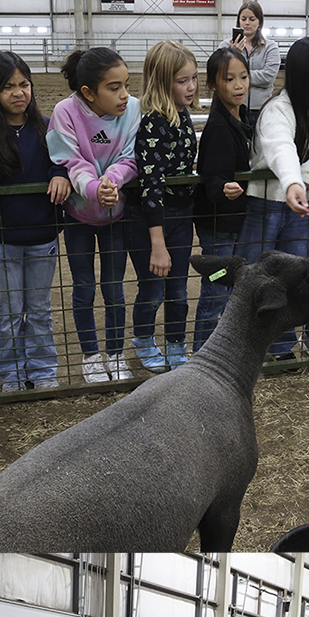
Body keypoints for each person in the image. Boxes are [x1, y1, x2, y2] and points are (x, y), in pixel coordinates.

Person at [0, 50, 70, 392]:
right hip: (2, 242)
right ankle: (12, 374)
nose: (19, 92)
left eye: (24, 84)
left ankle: (43, 371)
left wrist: (60, 173)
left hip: (42, 236)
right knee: (10, 312)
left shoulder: (47, 128)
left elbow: (64, 157)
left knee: (38, 309)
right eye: (8, 87)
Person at [236, 37, 309, 360]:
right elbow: (280, 148)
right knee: (256, 274)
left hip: (300, 204)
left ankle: (281, 346)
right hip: (265, 203)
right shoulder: (277, 110)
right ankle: (245, 342)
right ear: (298, 76)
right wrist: (293, 182)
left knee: (295, 276)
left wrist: (305, 178)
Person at [47, 47, 140, 384]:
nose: (124, 95)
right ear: (88, 92)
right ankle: (91, 355)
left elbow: (131, 157)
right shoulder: (65, 113)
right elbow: (70, 160)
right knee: (84, 287)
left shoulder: (133, 110)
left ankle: (115, 353)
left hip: (116, 215)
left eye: (126, 84)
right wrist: (93, 188)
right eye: (114, 88)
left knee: (114, 287)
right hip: (79, 216)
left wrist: (112, 181)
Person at [127, 41, 198, 371]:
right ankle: (142, 338)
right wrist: (157, 243)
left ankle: (175, 343)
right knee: (153, 288)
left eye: (194, 78)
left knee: (179, 288)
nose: (192, 86)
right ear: (162, 81)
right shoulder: (154, 122)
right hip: (153, 220)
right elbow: (150, 183)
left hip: (182, 217)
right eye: (183, 80)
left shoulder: (183, 115)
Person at [192, 47, 251, 352]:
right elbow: (209, 176)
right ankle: (203, 350)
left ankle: (218, 348)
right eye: (229, 79)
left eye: (243, 77)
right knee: (216, 283)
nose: (239, 85)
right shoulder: (217, 126)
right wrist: (221, 188)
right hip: (218, 224)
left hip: (234, 221)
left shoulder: (243, 118)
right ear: (214, 84)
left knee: (228, 284)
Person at [223, 0, 280, 127]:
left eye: (252, 19)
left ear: (259, 22)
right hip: (233, 107)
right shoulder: (226, 46)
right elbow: (220, 73)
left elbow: (268, 77)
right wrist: (233, 54)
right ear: (238, 21)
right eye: (243, 19)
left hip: (261, 109)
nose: (247, 22)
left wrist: (238, 77)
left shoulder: (271, 47)